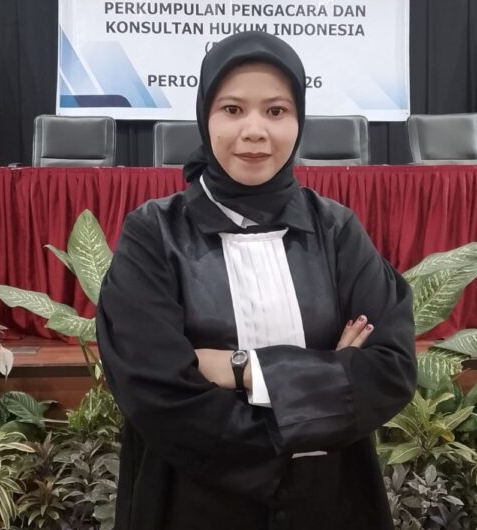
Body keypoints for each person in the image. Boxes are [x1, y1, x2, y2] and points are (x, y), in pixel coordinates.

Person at [96, 31, 417, 530]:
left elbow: (389, 370)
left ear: (298, 119)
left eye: (276, 111)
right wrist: (327, 379)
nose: (254, 131)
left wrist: (243, 369)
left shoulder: (336, 230)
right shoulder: (155, 234)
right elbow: (154, 390)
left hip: (329, 502)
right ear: (204, 116)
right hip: (192, 502)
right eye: (232, 109)